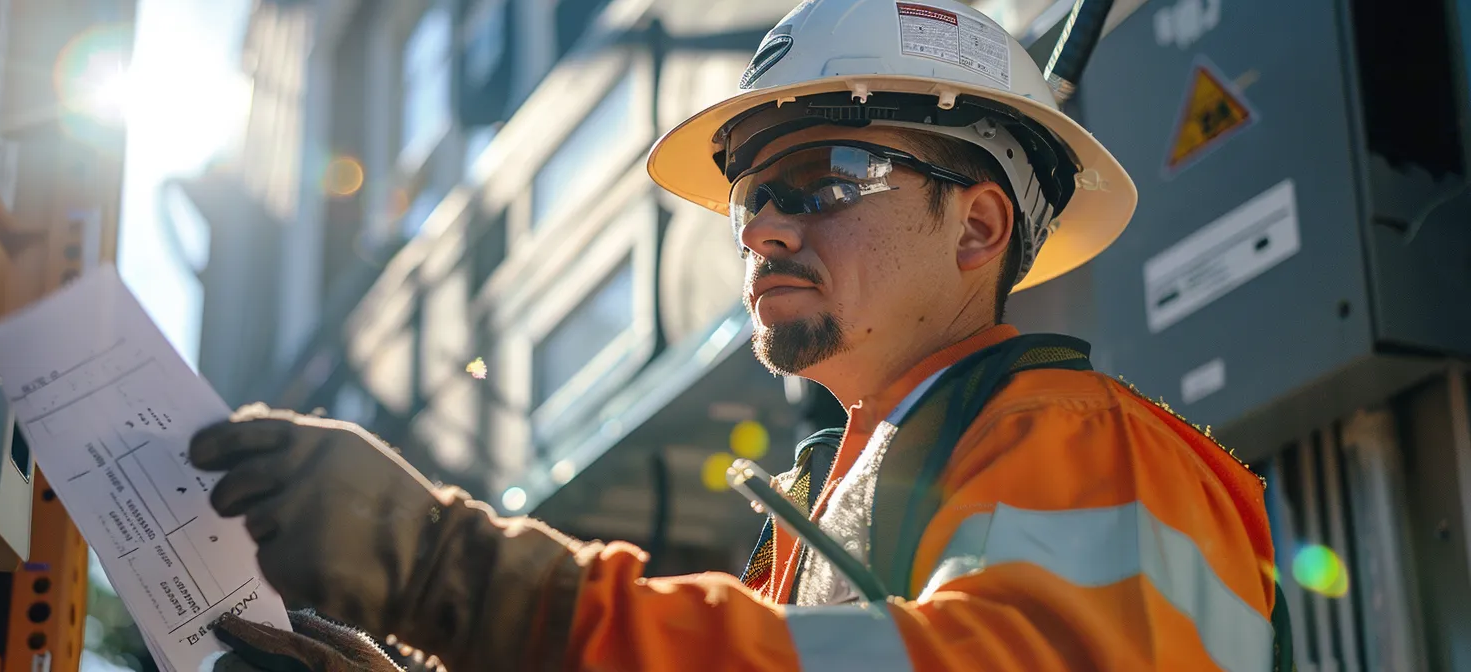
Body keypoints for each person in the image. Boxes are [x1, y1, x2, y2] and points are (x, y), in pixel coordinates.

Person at [193, 0, 1287, 669]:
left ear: (979, 225)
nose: (761, 226)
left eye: (821, 179)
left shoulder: (1090, 448)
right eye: (750, 196)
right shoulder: (850, 497)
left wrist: (463, 576)